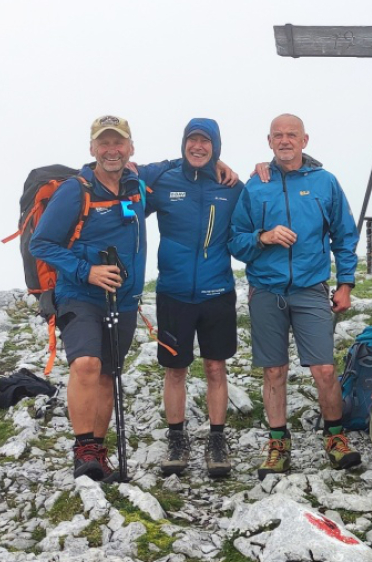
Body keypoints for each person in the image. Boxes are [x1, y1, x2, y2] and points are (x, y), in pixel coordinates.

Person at [229, 113, 362, 479]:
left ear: (305, 140)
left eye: (292, 135)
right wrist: (264, 237)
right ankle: (277, 444)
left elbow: (344, 236)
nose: (285, 140)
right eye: (278, 135)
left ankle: (335, 437)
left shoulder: (325, 183)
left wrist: (346, 284)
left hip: (311, 288)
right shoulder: (256, 186)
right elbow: (235, 241)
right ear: (268, 141)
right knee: (274, 370)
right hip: (266, 289)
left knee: (324, 368)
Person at [30, 115, 148, 481]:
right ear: (92, 148)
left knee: (108, 374)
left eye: (118, 143)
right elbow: (42, 243)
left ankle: (98, 451)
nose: (111, 150)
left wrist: (220, 162)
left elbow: (185, 163)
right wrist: (87, 271)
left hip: (124, 300)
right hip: (80, 294)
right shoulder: (74, 190)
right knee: (86, 365)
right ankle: (83, 450)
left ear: (130, 148)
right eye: (104, 143)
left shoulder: (138, 186)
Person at [138, 118, 243, 478]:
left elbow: (254, 216)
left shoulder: (232, 187)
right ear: (183, 144)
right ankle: (177, 438)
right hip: (174, 293)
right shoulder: (164, 182)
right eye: (192, 141)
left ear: (216, 147)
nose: (197, 147)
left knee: (216, 367)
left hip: (217, 292)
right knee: (176, 369)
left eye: (205, 142)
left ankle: (216, 439)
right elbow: (128, 186)